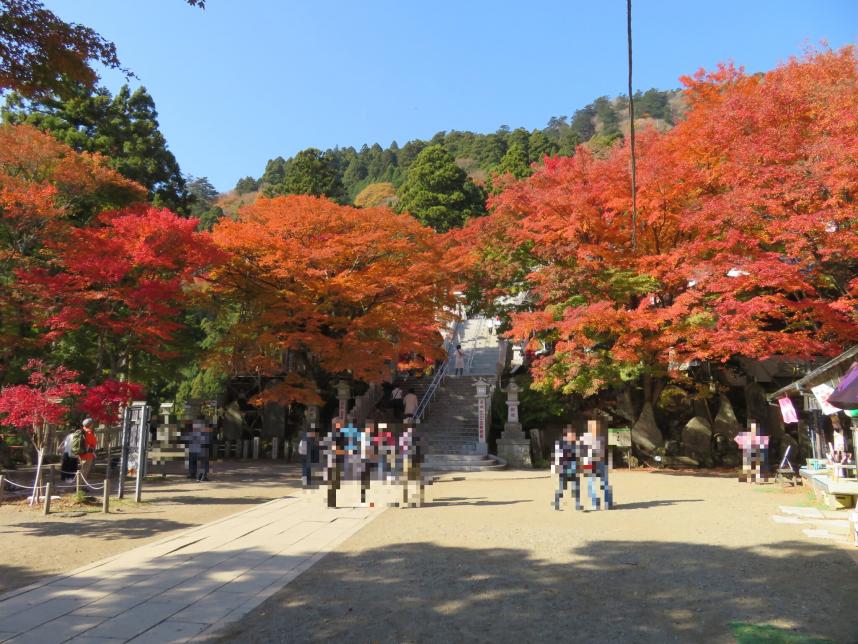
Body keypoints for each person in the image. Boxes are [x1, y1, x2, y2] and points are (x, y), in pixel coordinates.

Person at [580, 421, 613, 510]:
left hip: (591, 461)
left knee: (592, 483)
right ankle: (607, 503)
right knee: (602, 482)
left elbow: (583, 451)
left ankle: (597, 503)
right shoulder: (600, 438)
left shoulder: (587, 438)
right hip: (596, 461)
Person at [553, 426, 581, 511]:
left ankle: (577, 504)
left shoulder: (573, 443)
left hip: (572, 467)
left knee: (575, 487)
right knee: (562, 487)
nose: (574, 436)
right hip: (564, 468)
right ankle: (557, 503)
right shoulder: (562, 443)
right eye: (572, 434)